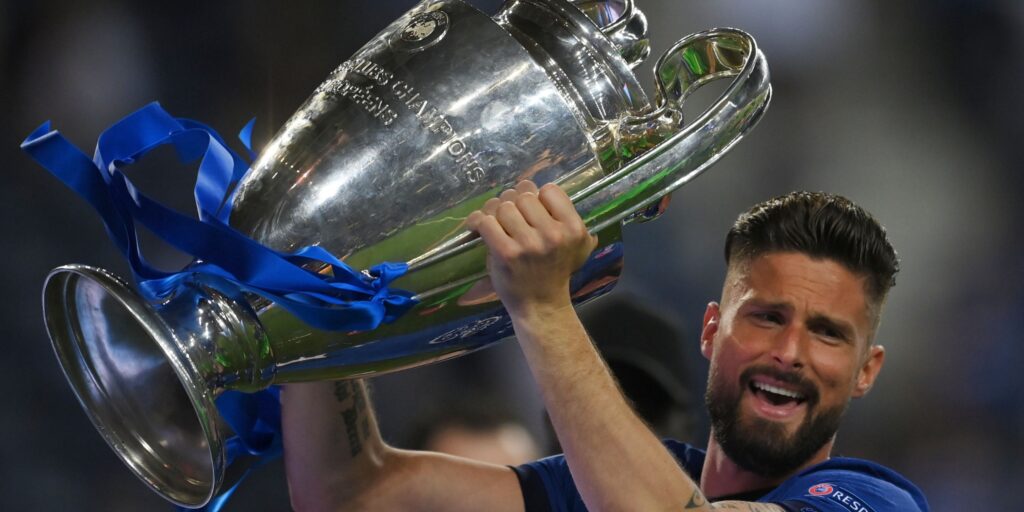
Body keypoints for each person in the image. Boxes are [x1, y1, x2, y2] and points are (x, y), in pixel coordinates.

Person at [281, 182, 930, 511]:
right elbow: (351, 493)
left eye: (826, 333)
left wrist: (540, 302)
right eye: (766, 316)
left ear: (866, 370)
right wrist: (316, 320)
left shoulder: (873, 502)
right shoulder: (584, 491)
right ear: (711, 330)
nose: (789, 351)